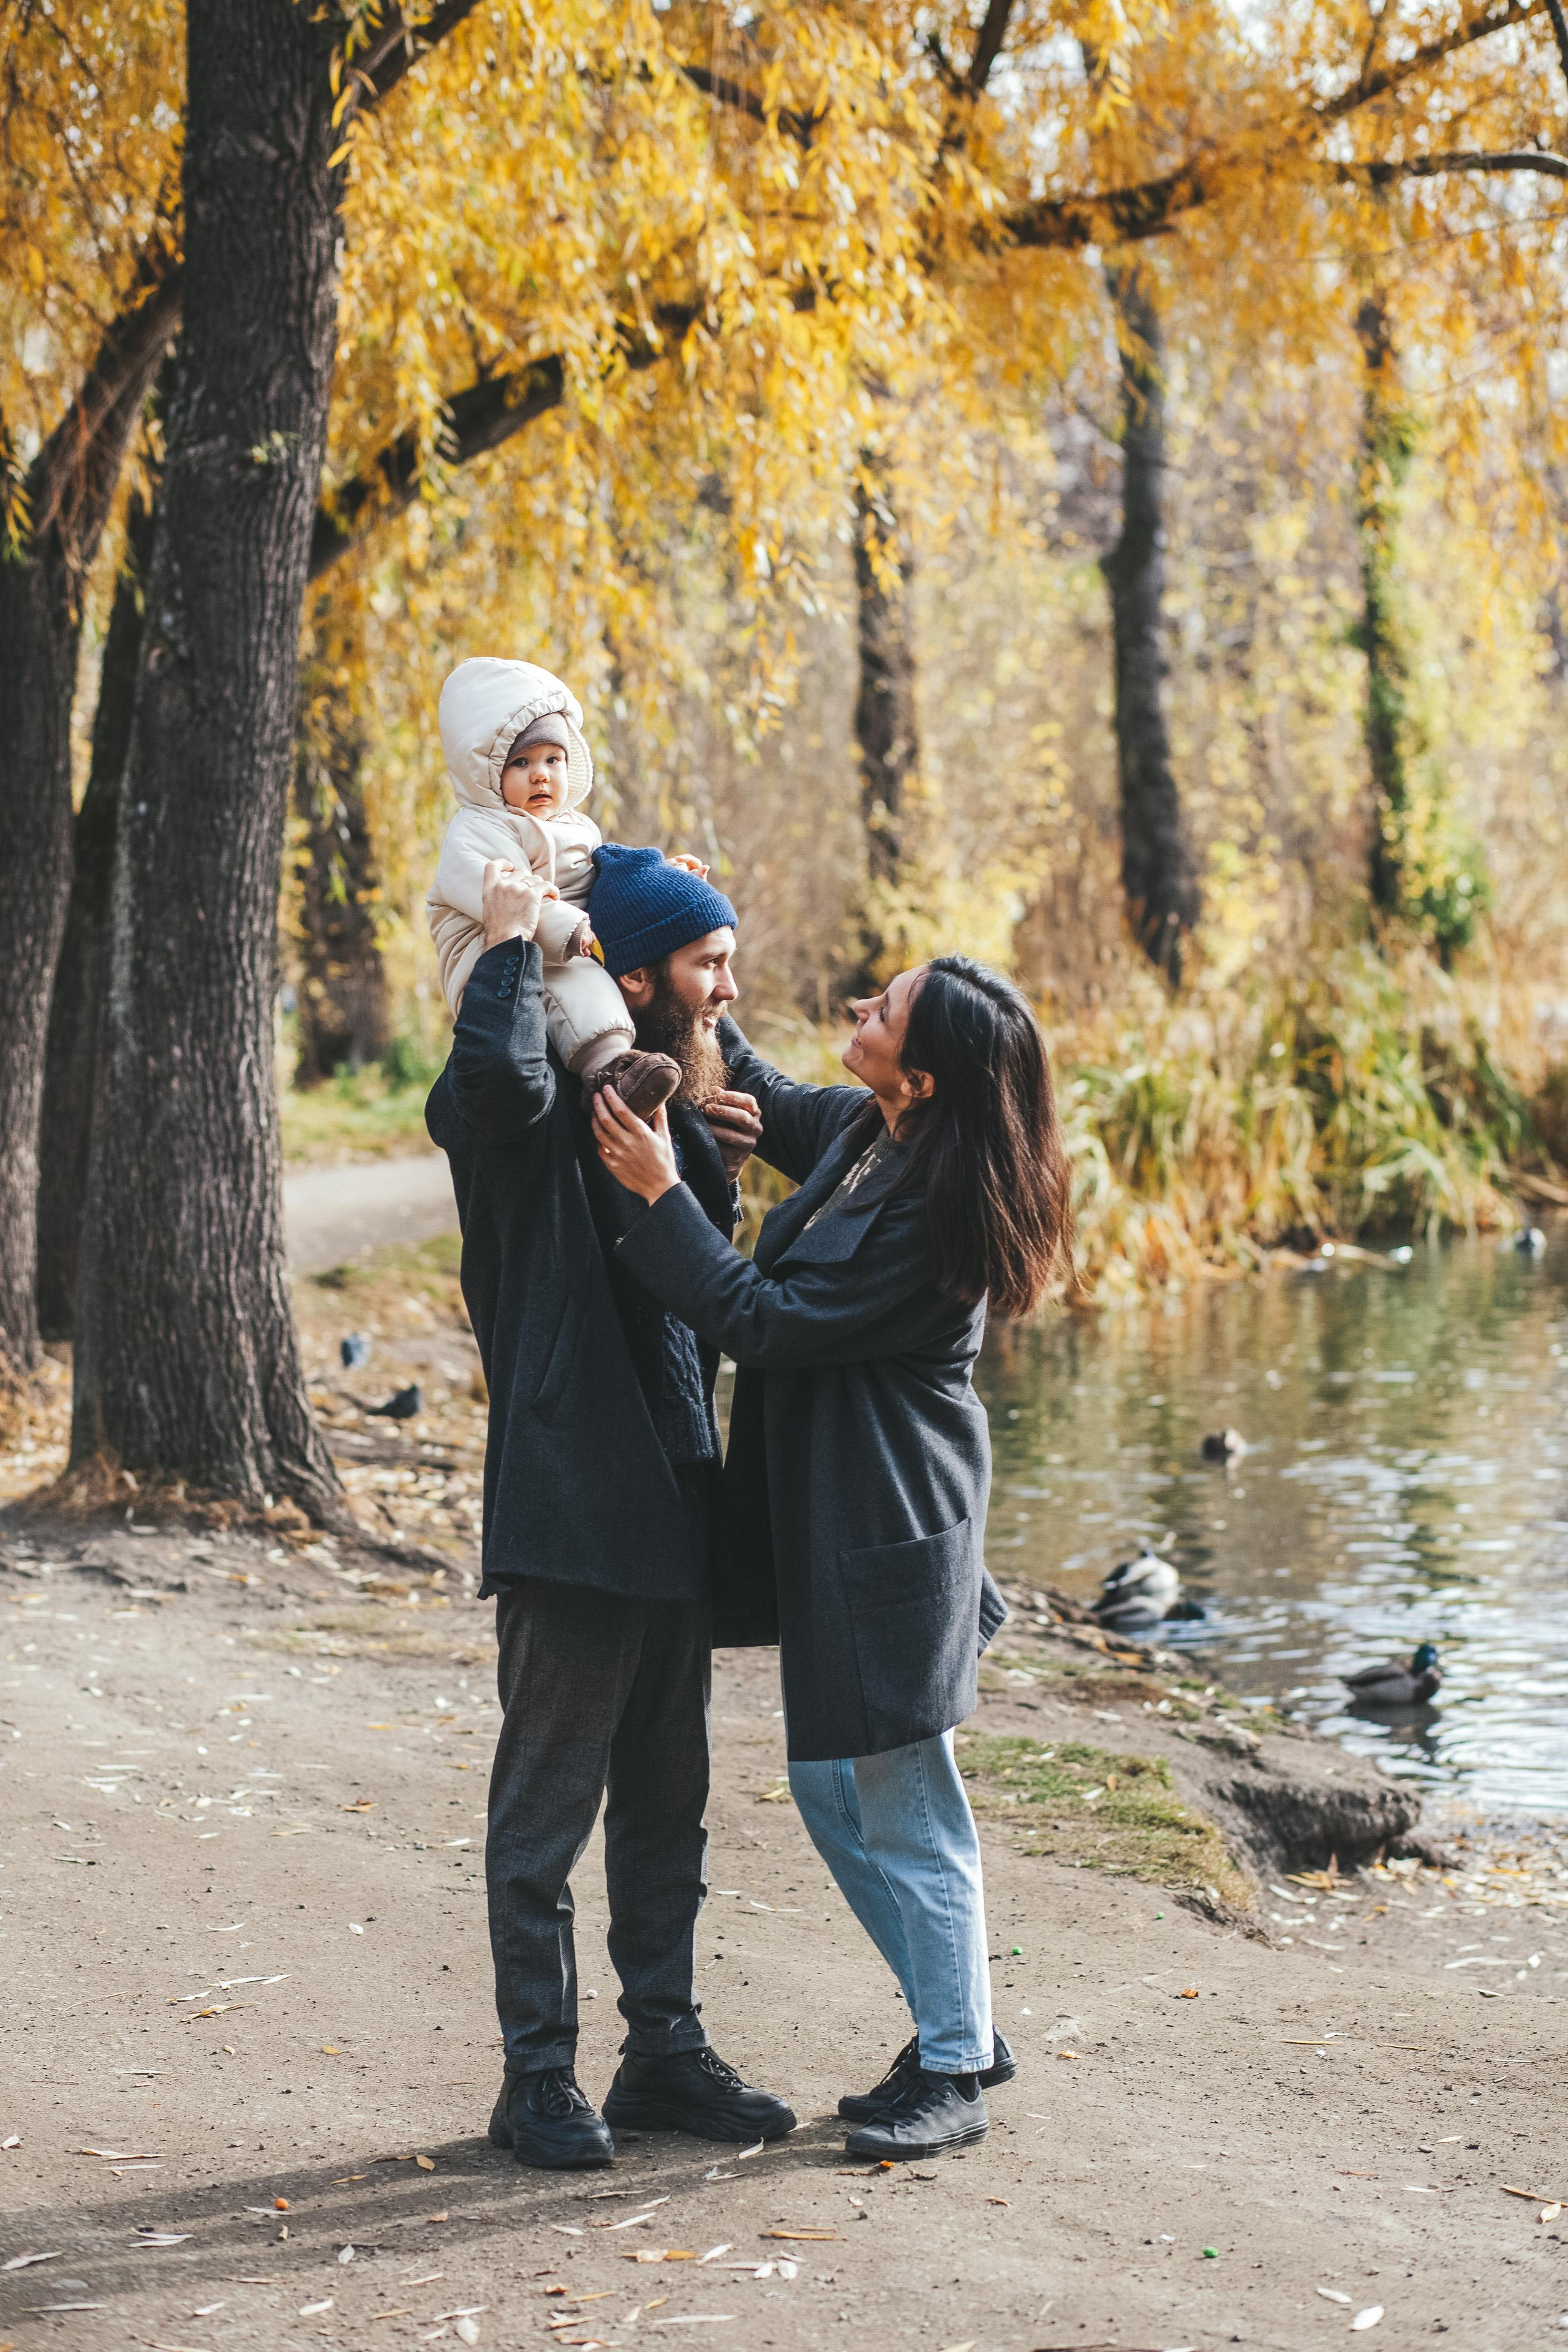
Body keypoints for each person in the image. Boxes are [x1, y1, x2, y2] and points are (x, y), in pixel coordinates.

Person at [591, 958, 1073, 2162]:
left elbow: (761, 1321)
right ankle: (954, 2015)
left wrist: (661, 1198)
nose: (859, 1012)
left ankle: (955, 2068)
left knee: (910, 1807)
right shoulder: (878, 1129)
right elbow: (764, 1088)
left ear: (920, 1074)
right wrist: (705, 986)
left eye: (882, 1014)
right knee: (830, 1790)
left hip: (890, 1536)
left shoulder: (930, 1211)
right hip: (839, 1529)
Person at [426, 849, 793, 2169]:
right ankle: (535, 2081)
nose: (728, 990)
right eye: (707, 966)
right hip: (570, 1506)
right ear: (626, 976)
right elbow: (496, 1079)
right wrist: (520, 946)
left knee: (664, 1803)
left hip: (673, 1507)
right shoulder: (513, 1111)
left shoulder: (670, 1104)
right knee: (543, 1819)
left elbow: (693, 1301)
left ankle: (663, 2056)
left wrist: (716, 1144)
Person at [426, 655, 711, 1118]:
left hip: (571, 940)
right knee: (574, 983)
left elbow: (605, 880)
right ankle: (612, 1072)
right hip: (495, 947)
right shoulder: (478, 829)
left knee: (639, 971)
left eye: (553, 760)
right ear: (485, 771)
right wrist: (570, 928)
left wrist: (663, 883)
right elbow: (504, 892)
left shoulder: (576, 826)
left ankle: (677, 1079)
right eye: (521, 762)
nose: (541, 774)